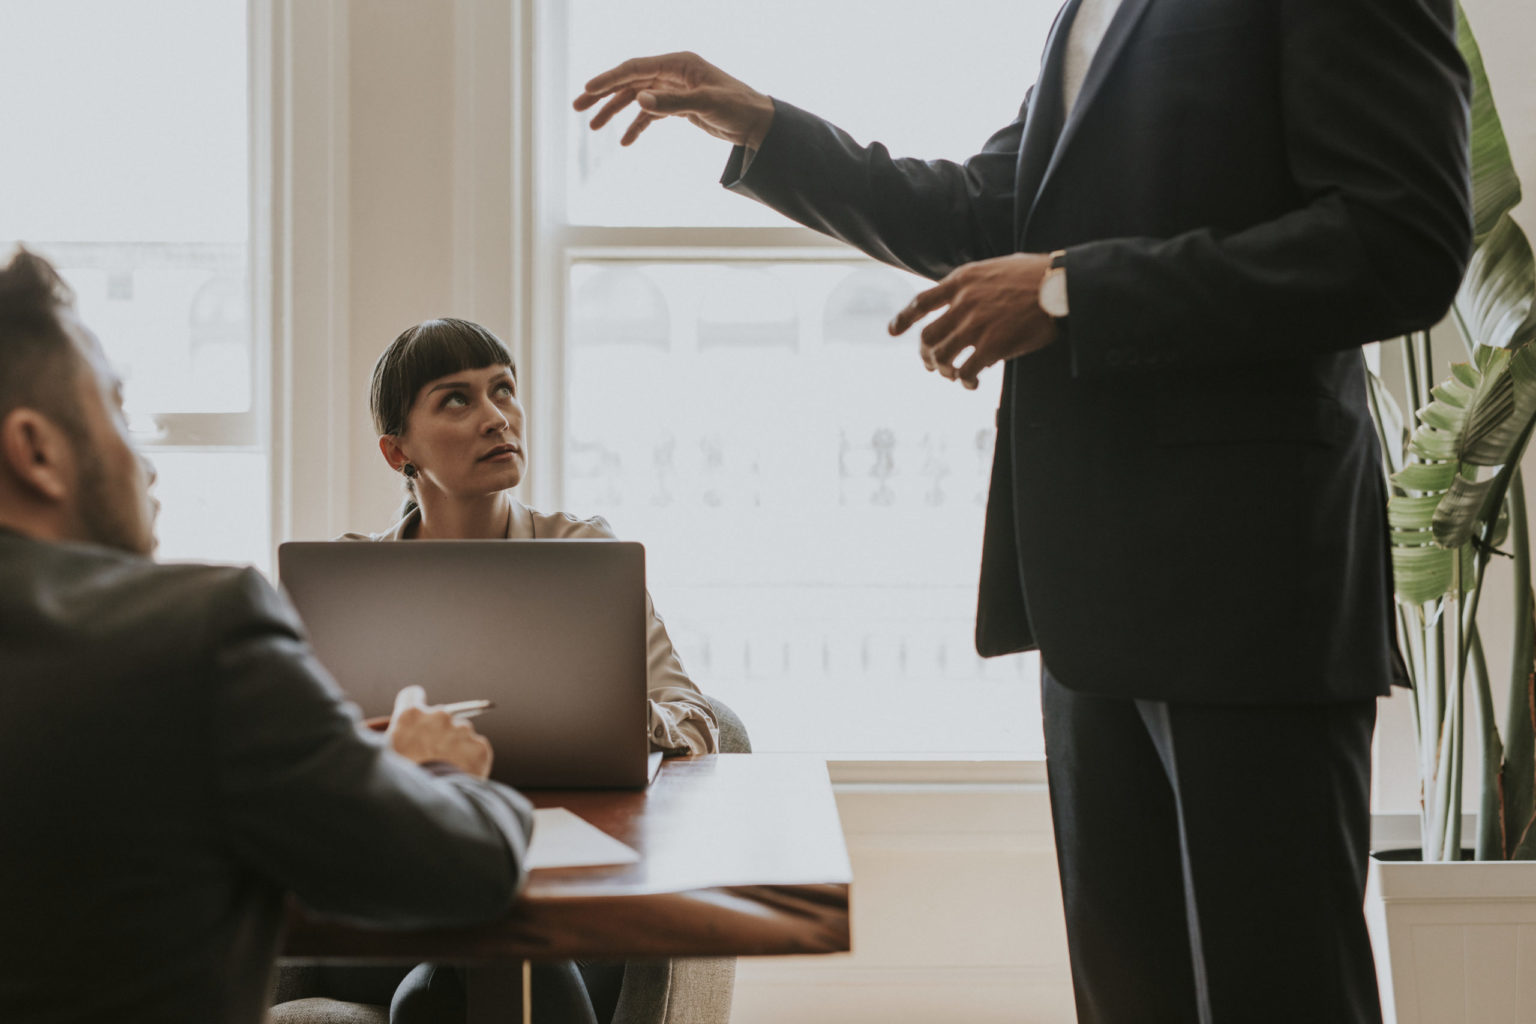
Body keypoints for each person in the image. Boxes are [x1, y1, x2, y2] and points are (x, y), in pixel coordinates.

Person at [572, 1, 1473, 1020]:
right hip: (1087, 596)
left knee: (1277, 992)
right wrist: (767, 128)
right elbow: (989, 213)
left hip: (1250, 591)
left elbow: (1402, 240)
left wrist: (1072, 292)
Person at [0, 247, 536, 1024]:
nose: (144, 464)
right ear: (37, 451)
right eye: (117, 413)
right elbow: (465, 869)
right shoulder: (201, 634)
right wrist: (442, 770)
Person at [325, 316, 719, 1023]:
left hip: (566, 887)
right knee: (444, 980)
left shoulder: (585, 554)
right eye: (457, 399)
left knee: (439, 994)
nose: (496, 417)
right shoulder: (356, 578)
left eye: (503, 391)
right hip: (414, 886)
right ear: (397, 451)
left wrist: (606, 709)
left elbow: (696, 723)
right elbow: (319, 763)